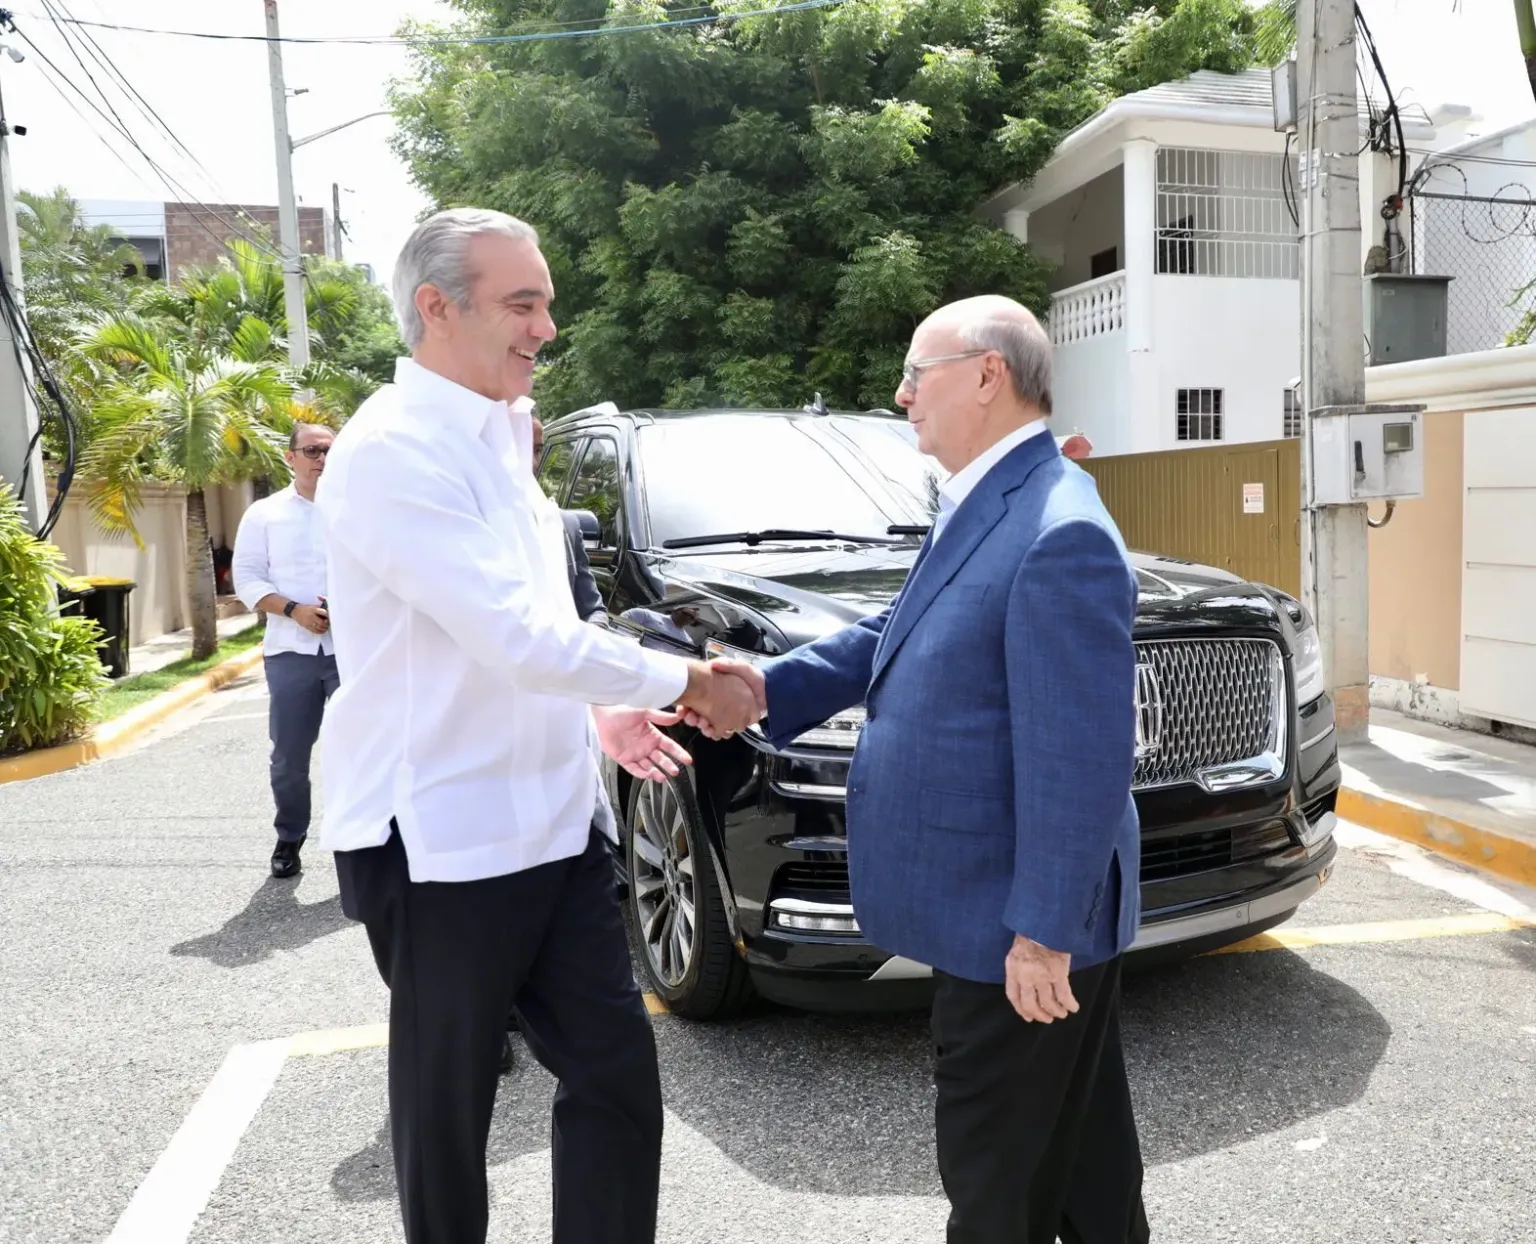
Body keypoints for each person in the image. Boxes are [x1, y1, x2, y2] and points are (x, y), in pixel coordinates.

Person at [313, 207, 762, 1244]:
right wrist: (687, 680)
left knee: (615, 1083)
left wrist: (604, 702)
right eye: (524, 303)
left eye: (546, 303)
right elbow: (513, 636)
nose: (547, 327)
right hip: (439, 842)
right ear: (437, 307)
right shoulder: (391, 451)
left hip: (556, 831)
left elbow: (545, 627)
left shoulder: (501, 436)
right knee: (447, 1119)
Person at [695, 296, 1148, 1243]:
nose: (901, 394)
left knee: (994, 1184)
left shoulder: (1055, 527)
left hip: (1010, 923)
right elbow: (898, 633)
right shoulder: (996, 495)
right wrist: (768, 687)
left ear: (988, 375)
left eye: (918, 371)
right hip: (1001, 907)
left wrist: (1040, 934)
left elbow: (1082, 752)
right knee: (1082, 1158)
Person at [232, 422, 339, 879]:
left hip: (354, 650)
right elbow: (249, 579)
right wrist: (293, 610)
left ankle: (370, 842)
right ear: (290, 457)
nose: (321, 459)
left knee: (367, 748)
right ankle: (290, 835)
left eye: (330, 451)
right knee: (289, 757)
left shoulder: (361, 511)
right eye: (312, 450)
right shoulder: (264, 514)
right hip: (290, 652)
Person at [531, 414, 605, 623]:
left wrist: (593, 636)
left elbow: (593, 610)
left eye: (537, 450)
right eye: (517, 447)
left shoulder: (565, 526)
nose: (531, 462)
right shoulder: (473, 526)